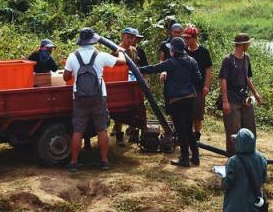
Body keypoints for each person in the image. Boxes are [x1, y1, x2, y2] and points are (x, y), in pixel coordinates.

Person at [63, 28, 125, 172]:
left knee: (77, 130)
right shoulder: (101, 56)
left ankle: (73, 162)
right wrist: (120, 50)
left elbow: (66, 77)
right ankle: (104, 161)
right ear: (93, 40)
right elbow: (122, 62)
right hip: (99, 97)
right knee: (101, 129)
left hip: (80, 98)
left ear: (80, 41)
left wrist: (75, 72)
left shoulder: (73, 56)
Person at [139, 37, 203, 167]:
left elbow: (153, 68)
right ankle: (195, 157)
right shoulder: (192, 61)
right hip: (190, 98)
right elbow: (198, 80)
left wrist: (136, 68)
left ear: (173, 51)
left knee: (180, 130)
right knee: (188, 129)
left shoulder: (171, 63)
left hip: (177, 100)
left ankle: (184, 158)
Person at [219, 33, 262, 155]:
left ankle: (250, 156)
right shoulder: (228, 60)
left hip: (245, 98)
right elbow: (223, 80)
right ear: (242, 45)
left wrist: (256, 94)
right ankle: (234, 159)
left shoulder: (246, 58)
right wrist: (225, 101)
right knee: (234, 131)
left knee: (250, 129)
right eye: (247, 43)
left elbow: (247, 78)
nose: (249, 45)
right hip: (232, 99)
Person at [112, 28, 149, 145]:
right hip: (120, 84)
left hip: (132, 84)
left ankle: (134, 133)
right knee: (119, 111)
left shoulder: (134, 50)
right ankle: (119, 136)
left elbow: (137, 67)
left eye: (132, 37)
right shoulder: (115, 50)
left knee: (135, 108)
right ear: (122, 36)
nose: (130, 39)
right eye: (128, 37)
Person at [182, 25, 213, 142]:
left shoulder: (203, 52)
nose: (186, 40)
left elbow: (208, 69)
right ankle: (186, 136)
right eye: (185, 38)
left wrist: (206, 85)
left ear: (195, 38)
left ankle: (197, 136)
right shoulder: (183, 51)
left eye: (188, 38)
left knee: (197, 115)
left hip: (198, 88)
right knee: (185, 114)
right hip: (184, 88)